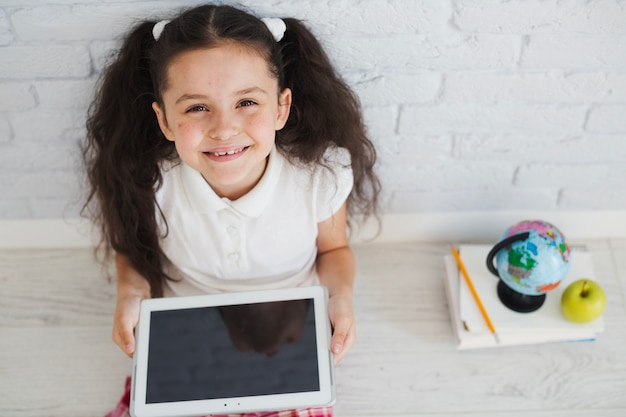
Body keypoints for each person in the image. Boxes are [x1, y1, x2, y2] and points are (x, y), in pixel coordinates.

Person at [82, 3, 380, 417]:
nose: (224, 128)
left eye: (246, 102)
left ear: (281, 106)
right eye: (197, 107)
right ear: (164, 120)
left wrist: (340, 299)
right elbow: (132, 249)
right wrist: (130, 291)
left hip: (290, 336)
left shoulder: (319, 176)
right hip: (187, 334)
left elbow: (334, 251)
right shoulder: (149, 179)